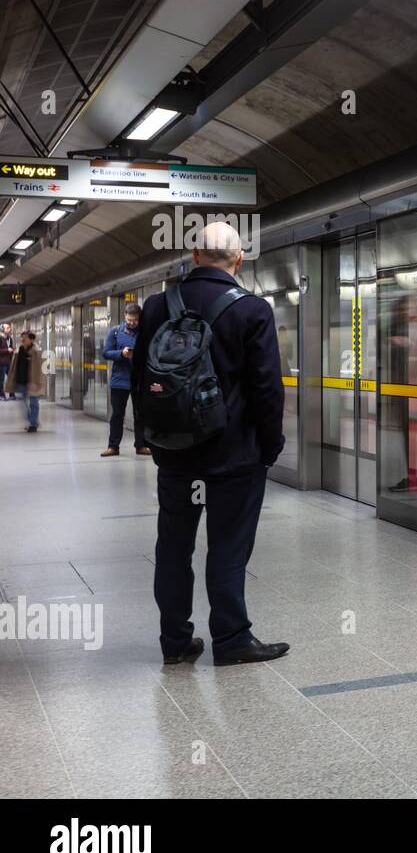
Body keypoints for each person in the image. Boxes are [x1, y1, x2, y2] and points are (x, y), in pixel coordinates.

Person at [133, 221, 289, 666]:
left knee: (173, 548)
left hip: (176, 455)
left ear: (195, 256)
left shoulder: (157, 305)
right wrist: (269, 446)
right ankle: (231, 639)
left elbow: (144, 380)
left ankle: (175, 642)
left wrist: (153, 439)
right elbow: (267, 389)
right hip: (234, 455)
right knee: (228, 548)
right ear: (238, 260)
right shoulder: (252, 310)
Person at [101, 303, 150, 457]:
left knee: (140, 414)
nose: (132, 323)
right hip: (119, 380)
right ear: (125, 316)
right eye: (129, 320)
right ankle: (113, 446)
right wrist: (121, 354)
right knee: (117, 415)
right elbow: (106, 353)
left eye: (135, 320)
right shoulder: (115, 332)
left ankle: (141, 445)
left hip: (139, 380)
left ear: (139, 318)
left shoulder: (145, 332)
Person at [3, 331, 44, 431]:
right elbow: (15, 366)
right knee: (24, 402)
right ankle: (33, 420)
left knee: (34, 403)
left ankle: (33, 424)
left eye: (24, 338)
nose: (22, 340)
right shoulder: (19, 350)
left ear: (31, 340)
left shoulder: (36, 351)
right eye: (22, 338)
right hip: (21, 380)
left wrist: (38, 382)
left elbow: (38, 369)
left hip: (33, 381)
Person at [0, 323, 13, 400]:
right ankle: (1, 395)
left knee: (11, 378)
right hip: (1, 362)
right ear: (2, 329)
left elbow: (11, 348)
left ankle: (12, 394)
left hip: (9, 362)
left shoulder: (9, 339)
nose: (9, 329)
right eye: (7, 328)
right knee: (1, 380)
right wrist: (7, 350)